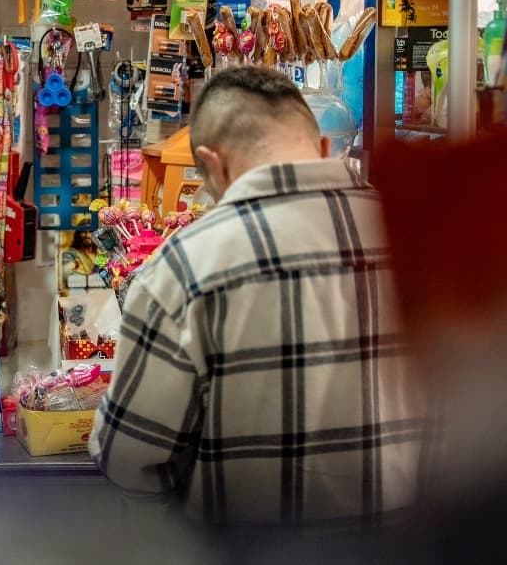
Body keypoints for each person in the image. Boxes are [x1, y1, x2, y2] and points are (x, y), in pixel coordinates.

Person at [89, 66, 427, 536]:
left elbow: (132, 462)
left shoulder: (184, 269)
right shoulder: (423, 244)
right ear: (324, 150)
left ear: (215, 165)